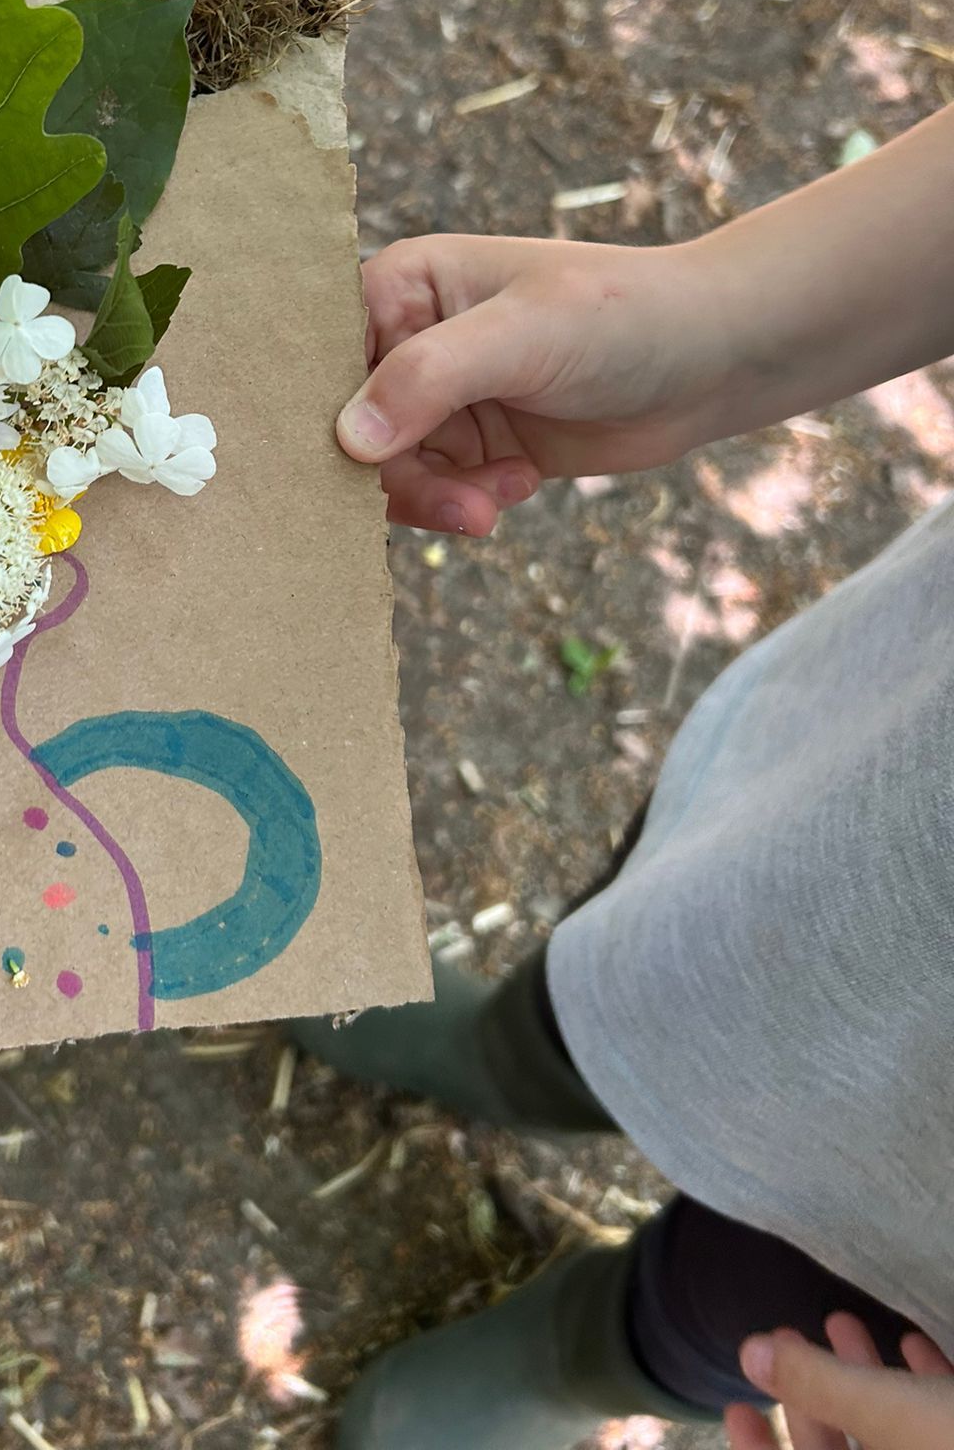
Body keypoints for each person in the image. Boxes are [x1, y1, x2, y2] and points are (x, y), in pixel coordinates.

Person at [294, 105, 954, 1450]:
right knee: (695, 935)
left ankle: (586, 1358)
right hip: (904, 793)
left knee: (791, 1310)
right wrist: (721, 321)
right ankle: (516, 1057)